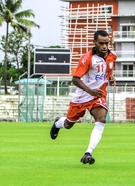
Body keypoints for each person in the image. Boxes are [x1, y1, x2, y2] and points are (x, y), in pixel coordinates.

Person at [50, 30, 117, 165]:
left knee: (101, 119)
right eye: (101, 43)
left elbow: (109, 68)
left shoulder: (112, 56)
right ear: (94, 43)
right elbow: (75, 79)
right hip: (82, 96)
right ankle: (58, 123)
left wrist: (110, 78)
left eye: (106, 43)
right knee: (68, 124)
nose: (104, 47)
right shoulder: (87, 59)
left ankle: (88, 153)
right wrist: (89, 91)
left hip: (98, 95)